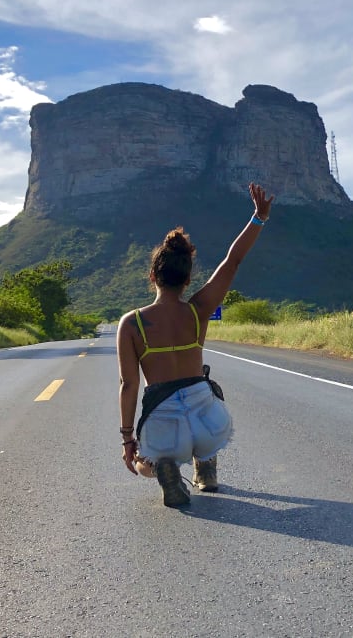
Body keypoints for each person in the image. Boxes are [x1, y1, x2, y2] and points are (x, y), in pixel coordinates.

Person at [116, 183, 274, 507]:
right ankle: (207, 464)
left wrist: (128, 439)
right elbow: (232, 262)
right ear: (188, 278)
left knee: (146, 461)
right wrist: (258, 218)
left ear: (152, 276)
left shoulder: (131, 324)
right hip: (210, 425)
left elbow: (128, 384)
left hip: (164, 427)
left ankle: (162, 467)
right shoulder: (198, 311)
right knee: (210, 390)